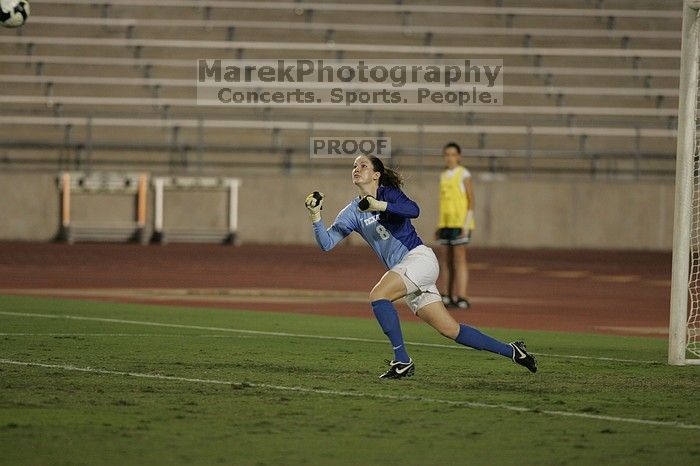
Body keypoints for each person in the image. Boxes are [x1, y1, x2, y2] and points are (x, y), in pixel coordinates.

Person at [304, 155, 537, 379]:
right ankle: (513, 351)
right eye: (354, 166)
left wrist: (380, 205)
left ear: (376, 175)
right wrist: (316, 216)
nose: (356, 169)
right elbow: (326, 244)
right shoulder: (351, 212)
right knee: (450, 330)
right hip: (407, 271)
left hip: (419, 259)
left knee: (378, 296)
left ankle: (402, 361)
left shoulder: (389, 194)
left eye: (363, 165)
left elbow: (414, 210)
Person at [436, 142, 474, 310]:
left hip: (460, 223)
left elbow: (471, 201)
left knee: (459, 260)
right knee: (446, 261)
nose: (450, 158)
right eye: (447, 154)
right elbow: (443, 203)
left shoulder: (464, 174)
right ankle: (446, 293)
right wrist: (439, 225)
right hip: (446, 223)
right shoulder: (443, 176)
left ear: (459, 156)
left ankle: (462, 295)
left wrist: (466, 225)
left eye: (453, 154)